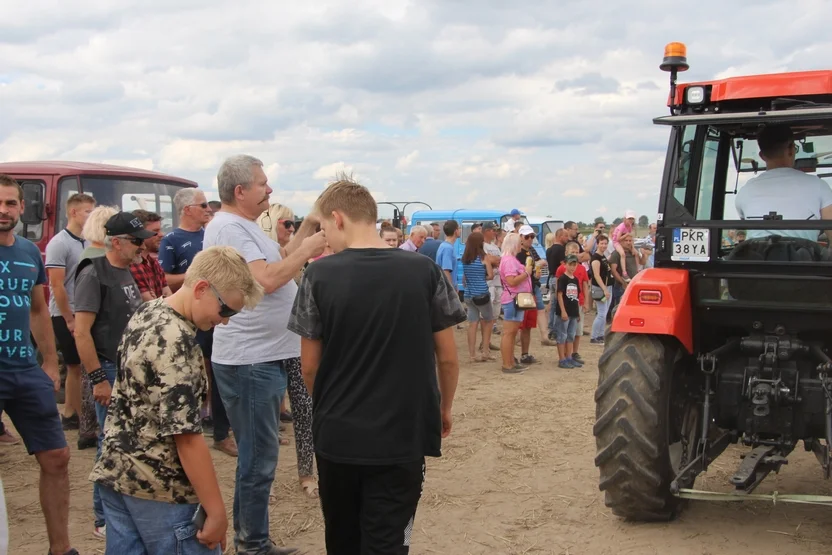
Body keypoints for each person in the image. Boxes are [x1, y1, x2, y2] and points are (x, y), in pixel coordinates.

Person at [287, 174, 465, 554]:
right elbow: (448, 359)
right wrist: (444, 408)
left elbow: (309, 368)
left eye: (322, 227)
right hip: (403, 433)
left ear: (338, 218)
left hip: (338, 435)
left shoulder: (318, 275)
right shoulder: (423, 271)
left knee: (342, 536)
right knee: (387, 539)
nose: (323, 239)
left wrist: (333, 405)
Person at [91, 246, 263, 554]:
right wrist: (217, 511)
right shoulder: (177, 341)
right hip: (161, 491)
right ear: (200, 289)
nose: (225, 321)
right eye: (226, 310)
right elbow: (186, 437)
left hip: (117, 475)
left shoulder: (148, 311)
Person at [204, 154, 325, 555]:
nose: (269, 190)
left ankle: (251, 539)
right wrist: (307, 250)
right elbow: (268, 280)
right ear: (240, 191)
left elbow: (280, 255)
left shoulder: (243, 227)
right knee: (258, 461)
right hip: (250, 359)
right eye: (262, 184)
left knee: (258, 457)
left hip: (260, 356)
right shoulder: (230, 229)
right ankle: (252, 545)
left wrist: (310, 226)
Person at [0, 175, 77, 555]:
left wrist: (49, 361)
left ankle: (60, 549)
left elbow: (36, 309)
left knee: (57, 456)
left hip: (23, 367)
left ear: (21, 208)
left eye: (11, 203)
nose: (4, 210)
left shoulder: (30, 251)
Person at [74, 211, 150, 539]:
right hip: (109, 368)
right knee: (110, 443)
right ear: (116, 242)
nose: (141, 247)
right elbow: (81, 333)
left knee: (124, 440)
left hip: (128, 368)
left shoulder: (126, 271)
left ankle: (118, 511)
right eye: (136, 241)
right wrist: (97, 379)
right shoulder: (94, 273)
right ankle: (102, 518)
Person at [45, 193, 96, 431]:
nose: (91, 215)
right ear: (74, 212)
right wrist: (68, 318)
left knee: (86, 363)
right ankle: (70, 412)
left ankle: (81, 412)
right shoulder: (59, 242)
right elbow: (56, 285)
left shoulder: (88, 241)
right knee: (75, 364)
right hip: (65, 313)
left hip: (86, 310)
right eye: (87, 211)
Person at [736, 124, 832, 241]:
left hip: (756, 258)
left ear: (762, 156)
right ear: (791, 149)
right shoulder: (819, 186)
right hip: (803, 258)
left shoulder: (745, 191)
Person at [159, 188, 212, 293]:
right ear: (188, 210)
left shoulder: (211, 234)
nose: (209, 209)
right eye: (204, 205)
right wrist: (196, 275)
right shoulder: (170, 240)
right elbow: (163, 280)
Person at [516, 225, 550, 361]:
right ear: (521, 238)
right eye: (527, 237)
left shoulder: (531, 250)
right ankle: (512, 355)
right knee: (517, 325)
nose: (530, 239)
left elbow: (539, 267)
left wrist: (536, 273)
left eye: (532, 236)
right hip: (521, 291)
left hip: (531, 290)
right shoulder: (517, 253)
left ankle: (525, 354)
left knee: (528, 325)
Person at [499, 233, 532, 374]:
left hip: (516, 298)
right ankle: (507, 364)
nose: (521, 244)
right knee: (509, 333)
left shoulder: (510, 259)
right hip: (513, 299)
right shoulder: (509, 261)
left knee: (512, 333)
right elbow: (511, 281)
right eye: (519, 242)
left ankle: (511, 362)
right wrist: (527, 273)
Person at [461, 232, 496, 363]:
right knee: (488, 321)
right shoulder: (483, 257)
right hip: (481, 293)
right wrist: (482, 277)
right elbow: (491, 275)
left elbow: (465, 277)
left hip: (469, 294)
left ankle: (472, 354)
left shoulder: (465, 258)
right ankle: (485, 351)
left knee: (472, 324)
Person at [555, 242, 589, 362]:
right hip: (565, 304)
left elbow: (584, 285)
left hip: (576, 304)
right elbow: (558, 290)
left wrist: (585, 302)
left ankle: (572, 354)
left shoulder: (580, 271)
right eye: (572, 252)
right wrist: (560, 307)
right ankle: (563, 356)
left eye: (576, 252)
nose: (575, 255)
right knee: (563, 332)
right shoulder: (561, 271)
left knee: (576, 331)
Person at [129, 210, 172, 301]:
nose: (161, 234)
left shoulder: (154, 263)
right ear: (141, 234)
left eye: (160, 230)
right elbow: (150, 303)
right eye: (155, 231)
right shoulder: (133, 264)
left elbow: (168, 294)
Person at [608, 233, 648, 316]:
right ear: (621, 242)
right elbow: (613, 270)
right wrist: (623, 283)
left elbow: (642, 262)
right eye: (626, 240)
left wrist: (644, 254)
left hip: (633, 284)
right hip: (621, 286)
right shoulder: (617, 253)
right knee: (619, 309)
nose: (628, 242)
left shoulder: (633, 252)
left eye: (630, 240)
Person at [554, 254, 582, 369]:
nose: (572, 267)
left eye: (574, 265)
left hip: (573, 311)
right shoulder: (563, 279)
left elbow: (576, 297)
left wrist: (578, 312)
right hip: (564, 311)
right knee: (562, 335)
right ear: (565, 265)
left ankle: (569, 357)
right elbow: (559, 295)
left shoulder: (575, 279)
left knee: (571, 335)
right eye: (570, 264)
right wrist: (563, 311)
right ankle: (562, 359)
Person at [589, 235, 614, 344]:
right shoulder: (595, 258)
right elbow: (596, 275)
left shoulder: (603, 256)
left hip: (607, 286)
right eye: (601, 243)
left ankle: (600, 335)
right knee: (601, 313)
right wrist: (604, 289)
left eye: (605, 243)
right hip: (600, 288)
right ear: (597, 244)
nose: (604, 245)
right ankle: (594, 336)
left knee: (604, 312)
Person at [436, 220, 461, 290]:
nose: (460, 230)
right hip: (447, 289)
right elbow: (446, 270)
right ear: (455, 231)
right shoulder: (448, 248)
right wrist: (451, 289)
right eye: (459, 228)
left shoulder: (444, 245)